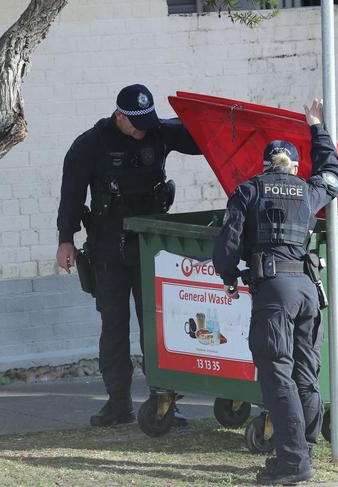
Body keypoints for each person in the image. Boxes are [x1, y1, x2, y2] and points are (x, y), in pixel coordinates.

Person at [212, 99, 338, 485]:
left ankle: (292, 462)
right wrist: (316, 127)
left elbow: (227, 246)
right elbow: (333, 173)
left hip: (274, 293)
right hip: (307, 290)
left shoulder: (248, 190)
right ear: (295, 165)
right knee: (305, 374)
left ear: (266, 163)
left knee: (277, 374)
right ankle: (305, 447)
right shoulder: (307, 192)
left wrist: (228, 275)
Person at [56, 84, 201, 427]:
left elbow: (200, 142)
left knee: (157, 326)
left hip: (151, 247)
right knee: (114, 326)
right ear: (118, 116)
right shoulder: (91, 144)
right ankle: (118, 402)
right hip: (108, 248)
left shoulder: (157, 131)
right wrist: (66, 240)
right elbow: (72, 194)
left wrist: (210, 122)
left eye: (147, 122)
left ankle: (164, 400)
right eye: (135, 123)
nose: (142, 130)